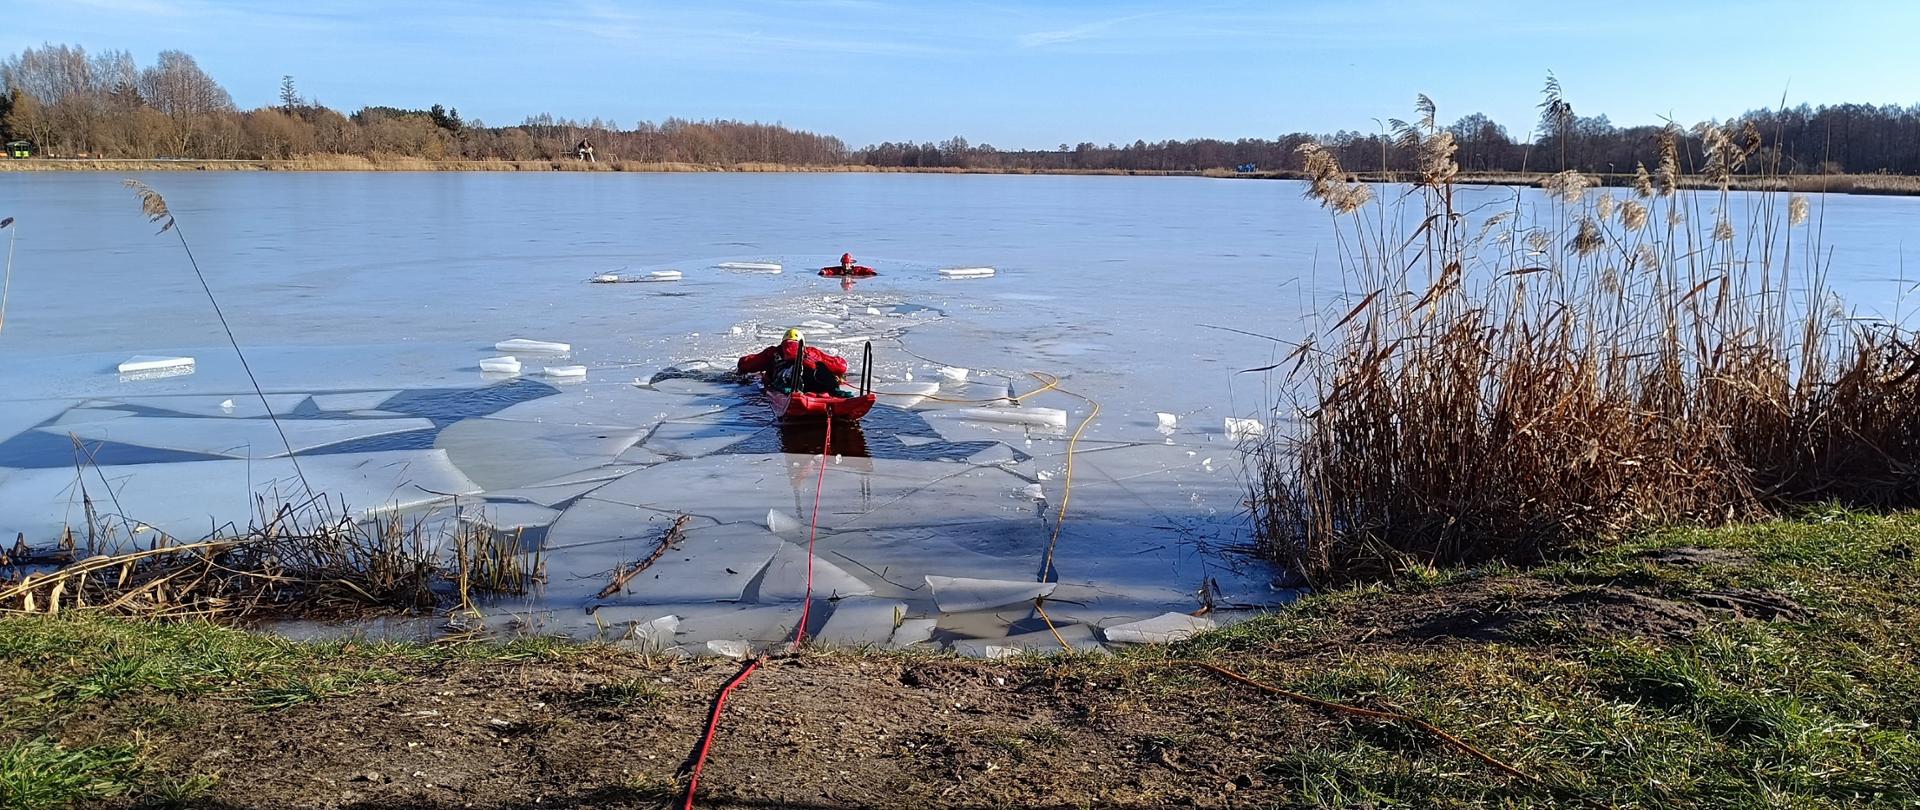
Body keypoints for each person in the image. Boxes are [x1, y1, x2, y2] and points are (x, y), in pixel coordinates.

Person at [737, 328, 849, 394]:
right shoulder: (811, 352)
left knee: (788, 377)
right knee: (820, 370)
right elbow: (840, 366)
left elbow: (746, 364)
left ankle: (797, 380)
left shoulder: (773, 352)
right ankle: (832, 387)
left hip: (787, 379)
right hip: (812, 375)